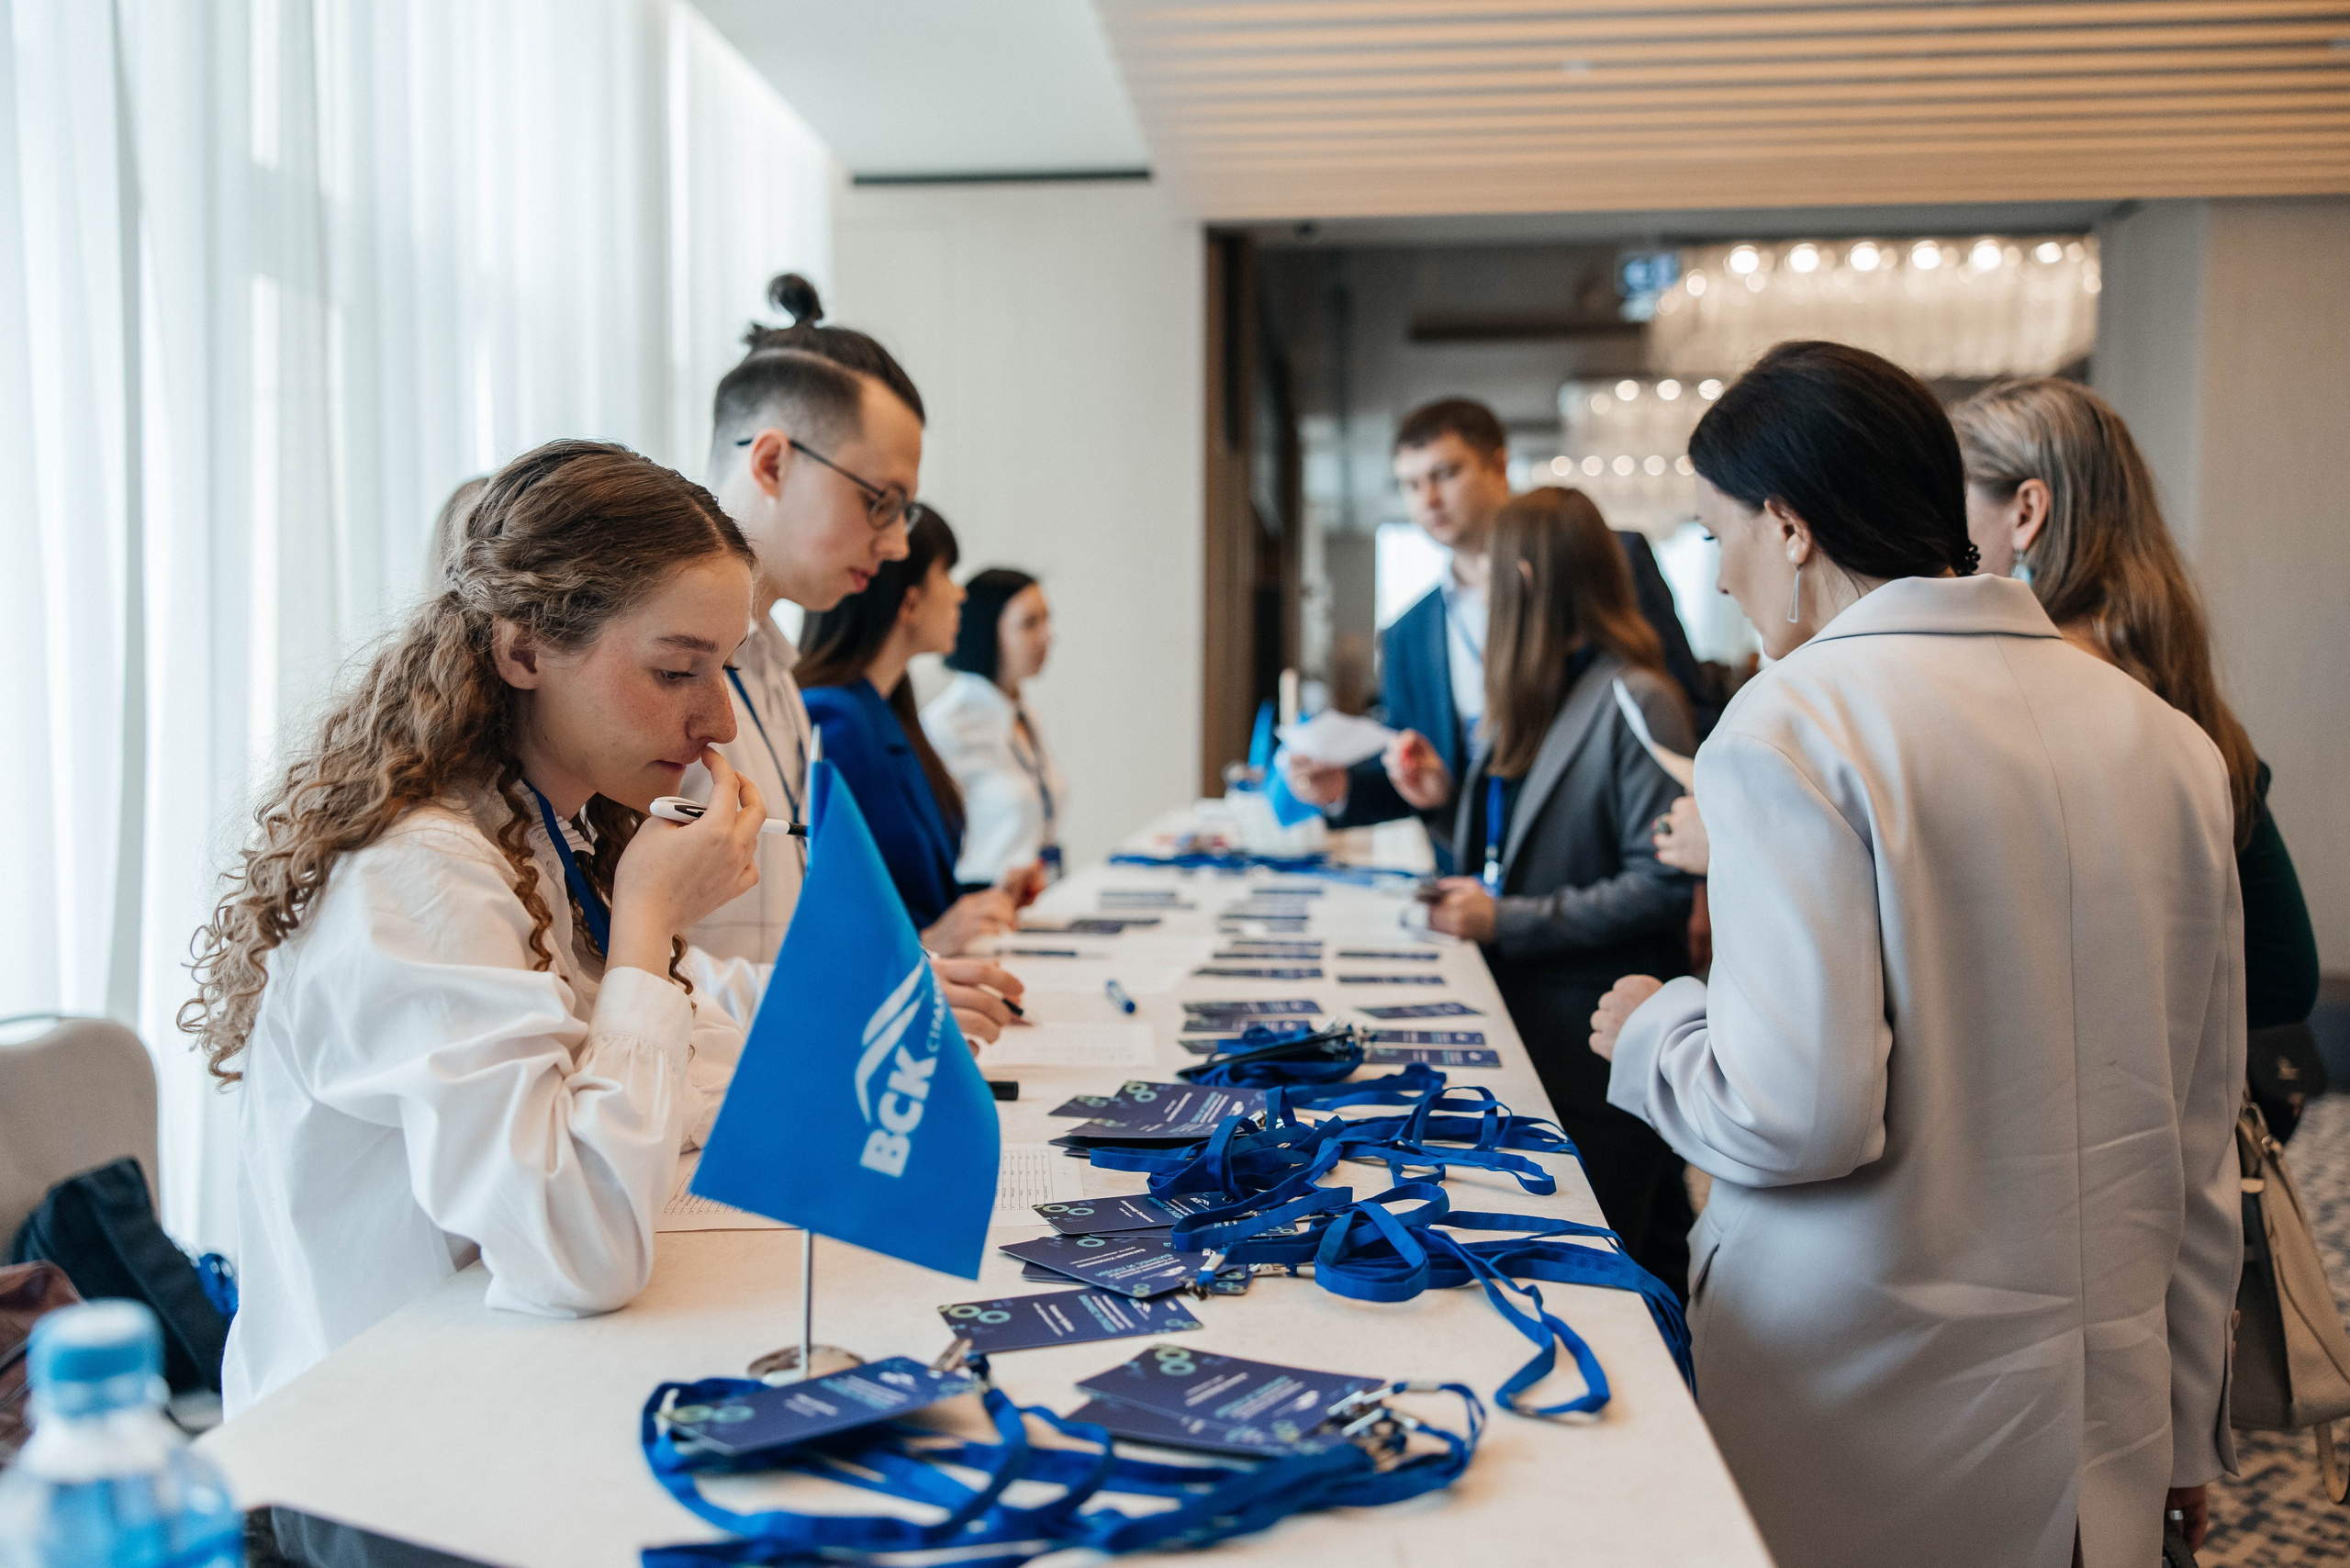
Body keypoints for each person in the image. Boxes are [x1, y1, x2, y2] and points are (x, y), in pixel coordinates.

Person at [1588, 342, 2243, 1568]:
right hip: (2104, 1409)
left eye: (1716, 532)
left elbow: (1801, 1118)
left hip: (1868, 1401)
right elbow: (2198, 1129)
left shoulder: (1790, 727)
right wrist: (2185, 1428)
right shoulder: (2165, 741)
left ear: (1787, 526)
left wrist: (1657, 1034)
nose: (1718, 578)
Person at [183, 441, 770, 1415]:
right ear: (523, 650)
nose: (719, 721)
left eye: (725, 670)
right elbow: (579, 1250)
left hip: (488, 1386)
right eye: (676, 671)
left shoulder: (547, 829)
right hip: (373, 1449)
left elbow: (673, 1078)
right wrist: (649, 925)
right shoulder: (418, 877)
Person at [1953, 377, 2322, 1130]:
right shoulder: (2169, 683)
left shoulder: (2031, 696)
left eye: (1950, 510)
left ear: (2025, 511)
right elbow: (2286, 974)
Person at [691, 273, 1019, 1040]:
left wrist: (895, 980)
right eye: (882, 502)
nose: (900, 542)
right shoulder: (650, 678)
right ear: (772, 464)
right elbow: (618, 969)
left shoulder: (774, 674)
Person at [1404, 487, 1696, 1289]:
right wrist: (1440, 805)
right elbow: (1502, 855)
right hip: (1519, 1025)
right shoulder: (1523, 700)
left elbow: (1662, 888)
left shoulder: (1641, 700)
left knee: (1607, 1271)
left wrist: (1508, 920)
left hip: (1591, 1038)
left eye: (1491, 579)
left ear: (1528, 580)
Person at [1286, 398, 1711, 858]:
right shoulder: (1406, 634)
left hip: (1609, 858)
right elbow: (1419, 778)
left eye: (1445, 474)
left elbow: (1686, 710)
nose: (1428, 500)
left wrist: (1699, 862)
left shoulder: (1609, 560)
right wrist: (1343, 786)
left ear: (1498, 466)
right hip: (1473, 873)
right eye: (1410, 485)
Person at [797, 509, 1039, 951]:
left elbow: (909, 890)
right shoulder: (837, 719)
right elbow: (834, 906)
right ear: (908, 602)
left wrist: (990, 897)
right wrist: (931, 940)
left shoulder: (889, 710)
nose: (960, 593)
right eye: (946, 573)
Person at [922, 568, 1069, 886]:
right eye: (1030, 624)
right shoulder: (948, 725)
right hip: (979, 901)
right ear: (986, 630)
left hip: (1034, 893)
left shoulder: (1022, 715)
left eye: (1047, 620)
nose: (1048, 637)